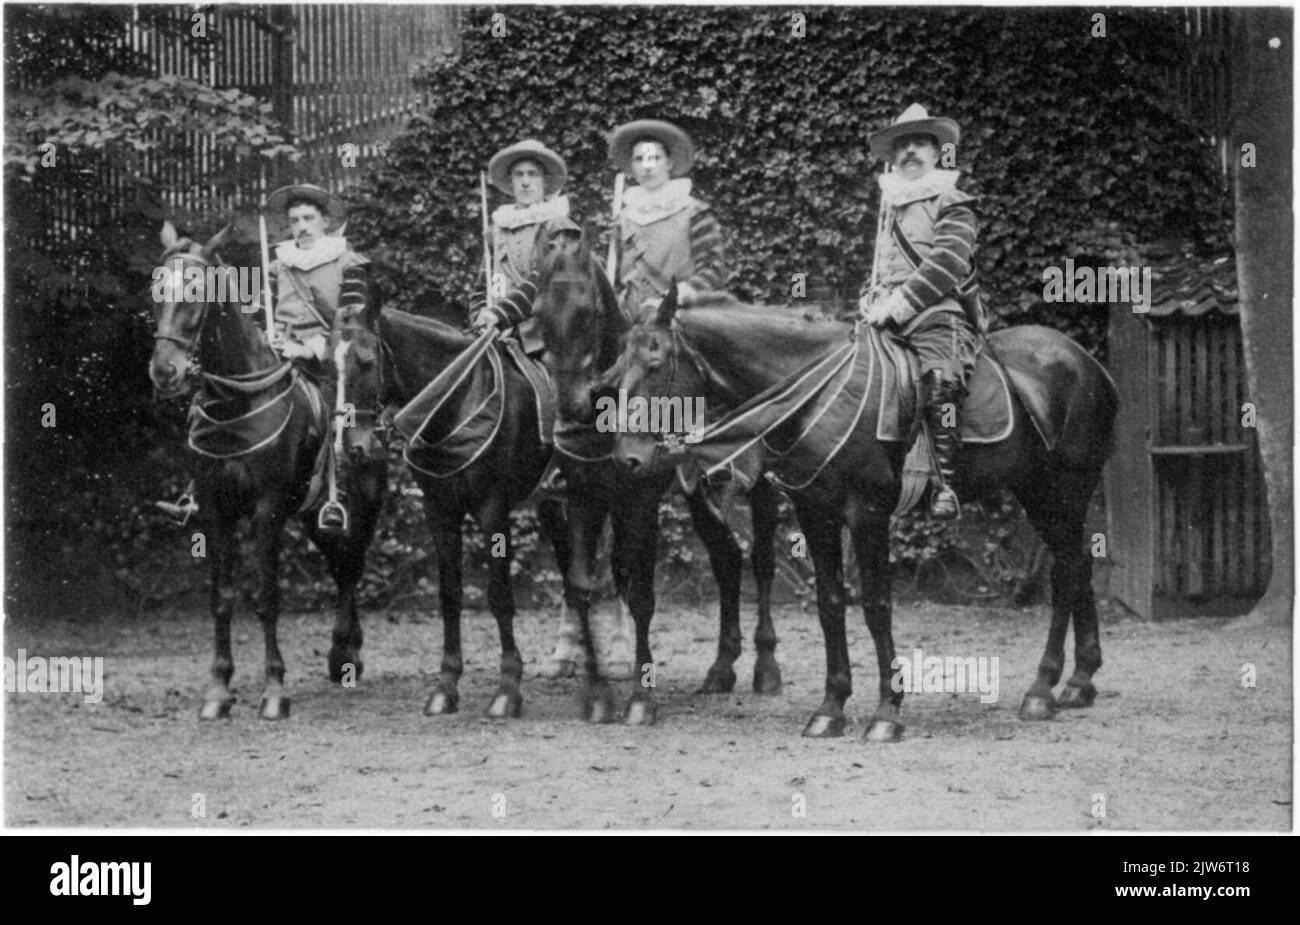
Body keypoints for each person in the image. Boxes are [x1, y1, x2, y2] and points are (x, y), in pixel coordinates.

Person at [858, 104, 982, 520]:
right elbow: (880, 266)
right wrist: (872, 299)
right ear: (893, 156)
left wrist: (900, 303)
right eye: (902, 144)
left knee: (941, 378)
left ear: (936, 153)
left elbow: (948, 263)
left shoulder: (952, 199)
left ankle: (947, 483)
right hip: (885, 315)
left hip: (936, 313)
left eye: (920, 143)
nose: (910, 151)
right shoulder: (888, 204)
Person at [263, 183, 372, 530]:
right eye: (294, 220)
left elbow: (355, 323)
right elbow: (252, 310)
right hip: (278, 353)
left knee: (338, 416)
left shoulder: (349, 261)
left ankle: (333, 497)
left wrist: (310, 348)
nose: (302, 226)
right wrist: (264, 336)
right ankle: (197, 493)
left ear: (325, 221)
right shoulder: (275, 264)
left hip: (329, 360)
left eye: (309, 218)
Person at [469, 139, 579, 355]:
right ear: (511, 182)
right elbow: (493, 283)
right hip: (499, 332)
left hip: (543, 335)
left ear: (545, 182)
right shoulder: (499, 228)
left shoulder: (558, 226)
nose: (525, 182)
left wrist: (500, 314)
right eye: (519, 175)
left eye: (533, 174)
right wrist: (483, 313)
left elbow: (547, 281)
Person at [607, 119, 727, 317]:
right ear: (631, 166)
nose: (647, 167)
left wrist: (674, 299)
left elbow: (714, 270)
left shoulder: (694, 212)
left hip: (682, 316)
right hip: (632, 320)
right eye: (639, 159)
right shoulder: (623, 220)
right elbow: (618, 279)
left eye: (654, 158)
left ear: (669, 163)